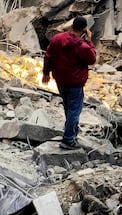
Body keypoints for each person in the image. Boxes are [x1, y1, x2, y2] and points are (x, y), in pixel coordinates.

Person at [41, 16, 97, 149]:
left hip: (60, 80)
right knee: (74, 110)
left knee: (68, 108)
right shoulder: (82, 46)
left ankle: (71, 132)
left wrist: (45, 73)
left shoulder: (57, 38)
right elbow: (92, 59)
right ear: (84, 29)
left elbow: (48, 56)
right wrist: (89, 41)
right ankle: (68, 140)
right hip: (75, 82)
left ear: (72, 26)